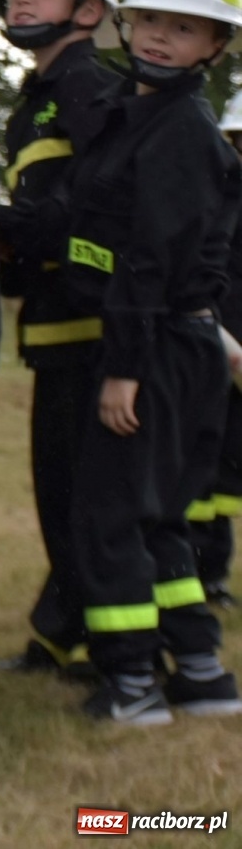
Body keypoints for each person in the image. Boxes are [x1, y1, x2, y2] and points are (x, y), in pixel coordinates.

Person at [58, 0, 242, 722]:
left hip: (155, 346)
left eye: (184, 26)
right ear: (126, 24)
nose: (162, 36)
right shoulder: (144, 114)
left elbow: (150, 259)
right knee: (162, 511)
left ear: (215, 45)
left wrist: (124, 367)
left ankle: (132, 681)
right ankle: (198, 671)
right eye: (151, 20)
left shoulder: (178, 131)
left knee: (108, 514)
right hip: (180, 340)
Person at [0, 0, 121, 677]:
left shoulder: (90, 87)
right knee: (58, 491)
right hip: (55, 323)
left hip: (95, 326)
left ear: (89, 10)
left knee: (85, 496)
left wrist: (1, 224)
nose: (22, 1)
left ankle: (103, 646)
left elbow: (96, 205)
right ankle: (63, 631)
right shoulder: (37, 96)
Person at [192, 89, 242, 609]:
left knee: (227, 470)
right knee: (207, 469)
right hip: (215, 349)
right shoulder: (220, 199)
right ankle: (206, 573)